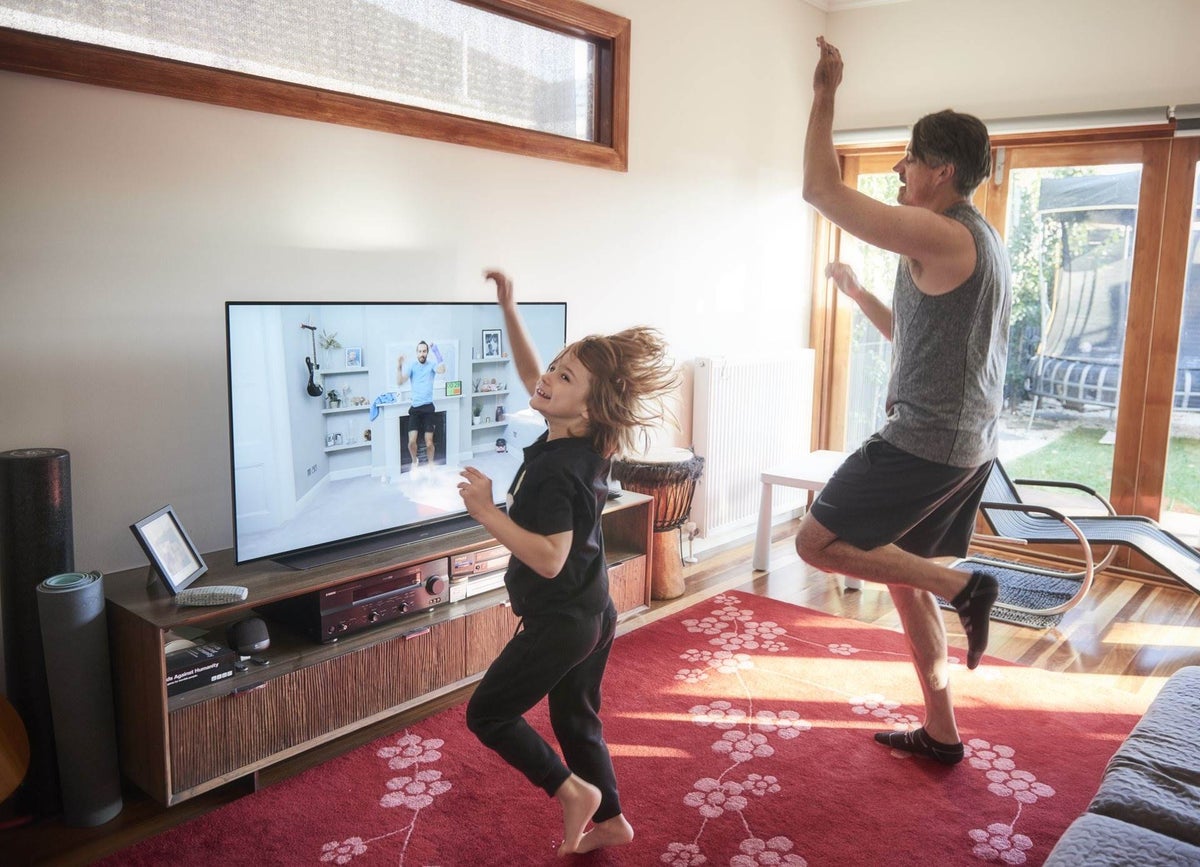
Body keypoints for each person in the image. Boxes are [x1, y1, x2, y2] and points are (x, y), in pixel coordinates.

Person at [794, 37, 1012, 765]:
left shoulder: (946, 233)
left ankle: (967, 585)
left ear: (942, 171)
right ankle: (943, 731)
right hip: (964, 440)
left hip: (927, 441)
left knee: (815, 543)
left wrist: (825, 93)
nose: (899, 171)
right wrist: (859, 296)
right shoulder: (974, 243)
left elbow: (821, 192)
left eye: (909, 160)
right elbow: (917, 339)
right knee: (902, 583)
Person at [458, 269, 677, 856]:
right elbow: (537, 377)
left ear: (590, 403)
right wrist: (510, 309)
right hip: (593, 611)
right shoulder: (586, 439)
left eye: (565, 375)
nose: (547, 378)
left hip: (560, 617)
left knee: (489, 714)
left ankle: (570, 793)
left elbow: (550, 559)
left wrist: (485, 512)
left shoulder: (557, 470)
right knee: (575, 718)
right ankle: (612, 821)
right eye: (554, 367)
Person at [397, 340, 445, 470]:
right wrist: (399, 366)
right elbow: (400, 382)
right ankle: (414, 461)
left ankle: (430, 465)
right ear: (416, 353)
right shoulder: (412, 366)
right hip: (415, 409)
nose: (422, 353)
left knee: (429, 443)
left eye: (424, 351)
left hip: (428, 408)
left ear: (427, 353)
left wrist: (437, 351)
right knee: (411, 443)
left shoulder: (432, 365)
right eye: (420, 351)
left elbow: (442, 369)